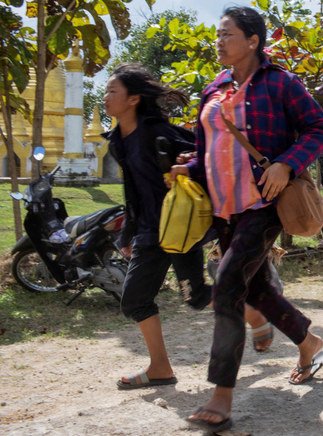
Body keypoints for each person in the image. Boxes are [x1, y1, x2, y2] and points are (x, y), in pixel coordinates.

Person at [169, 7, 323, 432]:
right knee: (255, 288)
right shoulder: (213, 89)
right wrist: (189, 169)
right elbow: (209, 151)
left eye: (228, 34)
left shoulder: (280, 83)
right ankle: (308, 342)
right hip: (223, 210)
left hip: (262, 205)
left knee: (226, 290)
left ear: (253, 40)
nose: (219, 41)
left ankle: (221, 395)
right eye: (218, 34)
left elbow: (318, 128)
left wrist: (286, 165)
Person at [102, 63, 214, 390]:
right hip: (151, 232)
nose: (106, 96)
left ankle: (253, 305)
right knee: (134, 300)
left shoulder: (157, 133)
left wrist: (184, 167)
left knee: (196, 298)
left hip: (180, 227)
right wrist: (127, 232)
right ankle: (160, 368)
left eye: (113, 91)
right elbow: (133, 189)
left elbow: (204, 158)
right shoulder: (118, 141)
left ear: (134, 99)